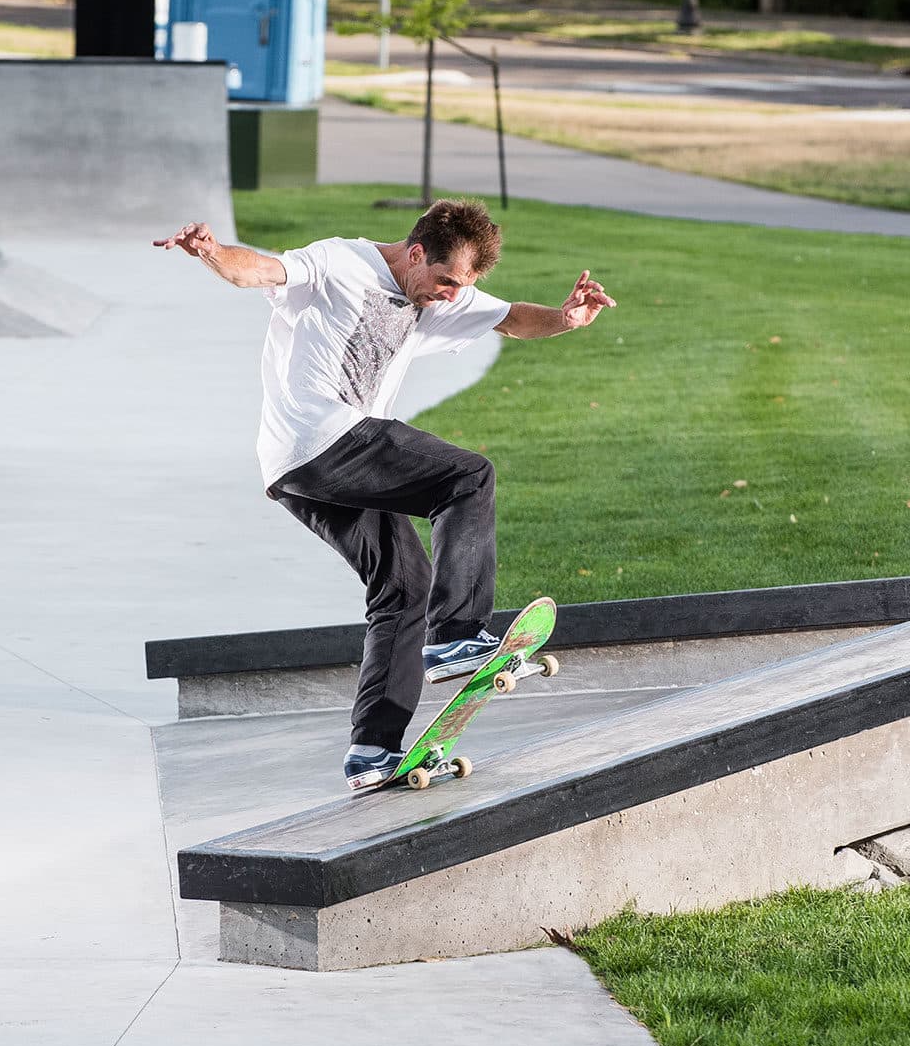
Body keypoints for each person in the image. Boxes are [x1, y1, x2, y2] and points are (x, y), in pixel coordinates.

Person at [155, 199, 614, 790]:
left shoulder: (439, 295)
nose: (449, 296)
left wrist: (564, 317)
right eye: (445, 281)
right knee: (467, 477)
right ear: (416, 253)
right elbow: (261, 270)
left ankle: (373, 750)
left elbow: (509, 318)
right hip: (320, 436)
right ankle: (456, 636)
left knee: (403, 587)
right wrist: (213, 253)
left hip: (296, 471)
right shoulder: (338, 263)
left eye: (461, 287)